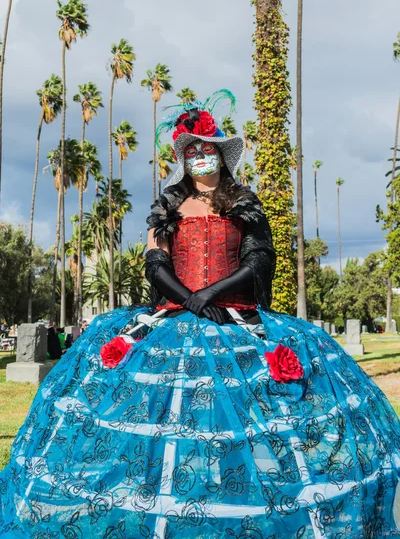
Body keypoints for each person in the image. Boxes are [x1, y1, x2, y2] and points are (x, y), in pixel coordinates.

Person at [0, 91, 399, 538]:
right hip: (173, 314)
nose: (200, 158)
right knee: (164, 418)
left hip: (234, 315)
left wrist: (212, 293)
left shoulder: (244, 202)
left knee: (246, 415)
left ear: (220, 156)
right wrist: (188, 298)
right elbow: (155, 262)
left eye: (206, 150)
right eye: (192, 151)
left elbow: (257, 260)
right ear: (184, 158)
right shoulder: (168, 204)